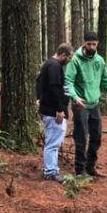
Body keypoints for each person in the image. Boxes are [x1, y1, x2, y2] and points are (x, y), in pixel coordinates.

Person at [64, 31, 107, 178]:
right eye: (89, 43)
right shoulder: (75, 60)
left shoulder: (100, 60)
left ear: (97, 44)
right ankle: (80, 170)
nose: (91, 46)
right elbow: (68, 81)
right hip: (80, 105)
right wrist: (75, 97)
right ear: (84, 43)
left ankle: (90, 166)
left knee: (96, 136)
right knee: (81, 137)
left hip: (94, 104)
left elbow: (106, 80)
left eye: (94, 44)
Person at [36, 43, 74, 182]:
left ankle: (52, 169)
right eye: (69, 57)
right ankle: (50, 171)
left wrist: (38, 98)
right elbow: (54, 88)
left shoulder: (48, 64)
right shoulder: (54, 66)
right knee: (52, 142)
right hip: (53, 112)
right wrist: (60, 109)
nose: (69, 60)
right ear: (63, 55)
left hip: (49, 109)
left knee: (53, 141)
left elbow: (39, 82)